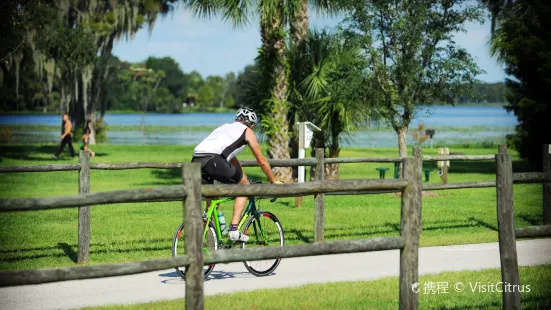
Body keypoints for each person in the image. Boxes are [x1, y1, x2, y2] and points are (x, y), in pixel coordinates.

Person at [191, 107, 282, 242]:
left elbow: (231, 158)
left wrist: (244, 178)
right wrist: (273, 180)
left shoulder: (226, 128)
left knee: (212, 201)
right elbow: (262, 161)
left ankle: (206, 241)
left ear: (237, 119)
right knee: (244, 188)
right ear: (251, 125)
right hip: (213, 159)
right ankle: (234, 229)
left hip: (196, 159)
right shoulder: (247, 132)